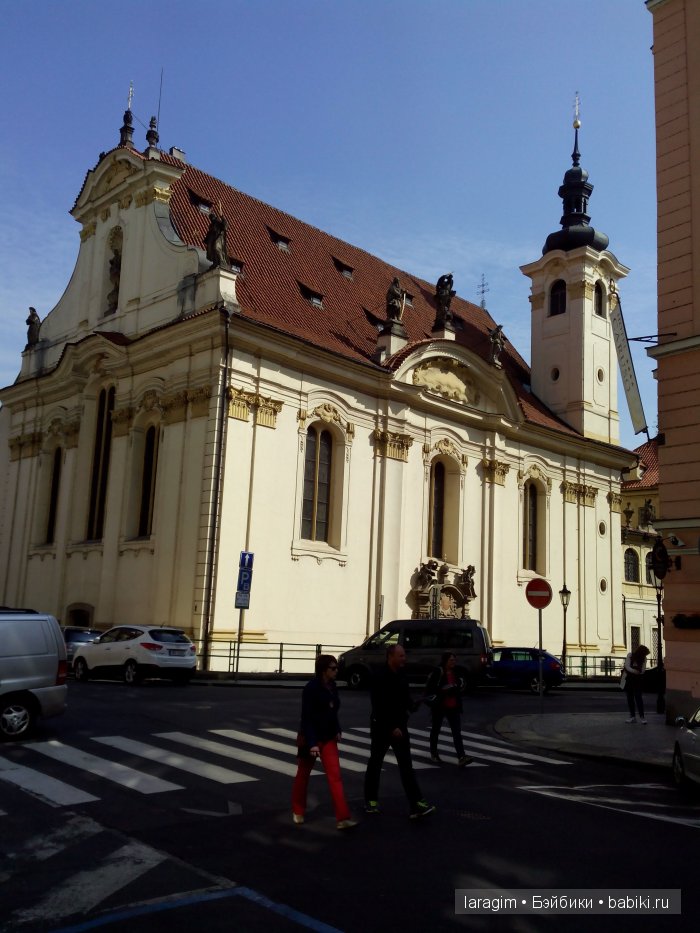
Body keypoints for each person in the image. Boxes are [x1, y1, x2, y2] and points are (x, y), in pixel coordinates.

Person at [364, 644, 436, 819]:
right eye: (401, 656)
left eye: (404, 655)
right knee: (375, 764)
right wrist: (392, 727)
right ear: (391, 657)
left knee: (406, 766)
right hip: (382, 727)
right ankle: (371, 801)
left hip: (400, 726)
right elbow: (379, 705)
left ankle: (416, 804)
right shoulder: (380, 676)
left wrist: (416, 704)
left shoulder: (402, 675)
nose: (405, 659)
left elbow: (405, 699)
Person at [292, 654, 357, 830]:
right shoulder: (311, 688)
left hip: (328, 737)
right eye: (333, 668)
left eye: (336, 668)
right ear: (323, 670)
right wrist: (312, 743)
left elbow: (333, 712)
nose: (336, 671)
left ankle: (342, 818)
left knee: (335, 776)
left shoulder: (332, 686)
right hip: (311, 737)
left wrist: (337, 729)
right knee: (303, 775)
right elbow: (307, 718)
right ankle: (298, 810)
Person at [424, 652, 473, 767]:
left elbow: (459, 686)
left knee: (456, 732)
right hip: (440, 706)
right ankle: (434, 753)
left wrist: (455, 687)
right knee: (436, 729)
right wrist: (444, 689)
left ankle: (461, 756)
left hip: (453, 706)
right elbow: (431, 688)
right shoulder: (439, 672)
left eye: (454, 660)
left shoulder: (456, 672)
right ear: (445, 661)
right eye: (451, 660)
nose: (453, 662)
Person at [623, 645, 650, 723]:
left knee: (638, 698)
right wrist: (635, 671)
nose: (645, 656)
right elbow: (627, 666)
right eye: (644, 654)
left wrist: (638, 672)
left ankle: (642, 717)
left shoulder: (644, 658)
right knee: (630, 698)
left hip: (637, 679)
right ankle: (633, 717)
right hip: (629, 679)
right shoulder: (630, 655)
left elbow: (643, 669)